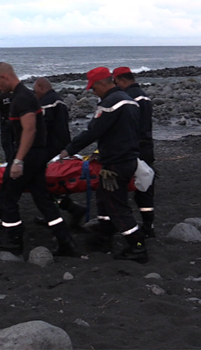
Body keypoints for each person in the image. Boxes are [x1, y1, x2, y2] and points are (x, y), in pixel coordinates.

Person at [0, 62, 82, 257]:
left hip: (29, 154)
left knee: (7, 195)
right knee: (43, 199)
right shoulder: (26, 96)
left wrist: (18, 160)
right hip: (38, 154)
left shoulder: (21, 98)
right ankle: (65, 241)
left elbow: (29, 129)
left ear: (5, 77)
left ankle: (14, 240)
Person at [60, 67, 148, 264]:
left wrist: (68, 151)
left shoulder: (110, 104)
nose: (93, 92)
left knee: (117, 206)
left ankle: (137, 245)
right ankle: (104, 234)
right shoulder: (129, 100)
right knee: (104, 199)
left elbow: (93, 131)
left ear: (102, 83)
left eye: (93, 87)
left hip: (116, 163)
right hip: (126, 159)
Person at [32, 77, 86, 229]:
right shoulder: (59, 101)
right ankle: (68, 210)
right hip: (62, 146)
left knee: (44, 185)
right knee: (56, 186)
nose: (35, 93)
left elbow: (42, 129)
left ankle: (58, 215)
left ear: (41, 87)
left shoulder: (48, 103)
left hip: (50, 149)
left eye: (36, 90)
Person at [112, 66, 156, 239]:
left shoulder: (127, 98)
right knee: (145, 188)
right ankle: (148, 226)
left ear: (122, 80)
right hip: (147, 146)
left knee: (120, 187)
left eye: (116, 83)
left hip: (132, 147)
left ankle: (126, 228)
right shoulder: (145, 96)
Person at [0, 90, 15, 163]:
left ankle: (9, 162)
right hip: (14, 122)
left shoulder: (0, 97)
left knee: (6, 144)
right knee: (14, 143)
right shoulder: (13, 95)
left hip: (5, 122)